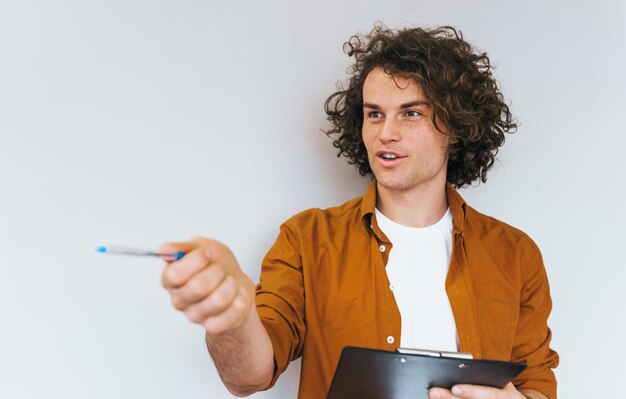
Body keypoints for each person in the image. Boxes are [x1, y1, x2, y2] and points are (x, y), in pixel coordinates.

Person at [160, 25, 559, 399]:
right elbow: (249, 376)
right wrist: (230, 316)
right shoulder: (307, 240)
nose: (386, 132)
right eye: (375, 114)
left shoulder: (515, 254)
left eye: (411, 112)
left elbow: (537, 385)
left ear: (454, 126)